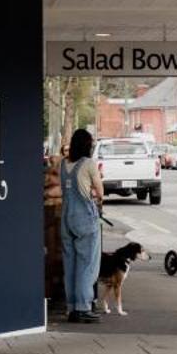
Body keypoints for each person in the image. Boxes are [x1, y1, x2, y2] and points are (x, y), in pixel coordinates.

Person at [59, 128, 104, 324]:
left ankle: (71, 308)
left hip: (66, 219)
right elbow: (100, 192)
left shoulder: (63, 164)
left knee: (70, 265)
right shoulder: (88, 164)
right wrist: (97, 198)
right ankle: (83, 307)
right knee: (87, 264)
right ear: (87, 145)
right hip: (85, 219)